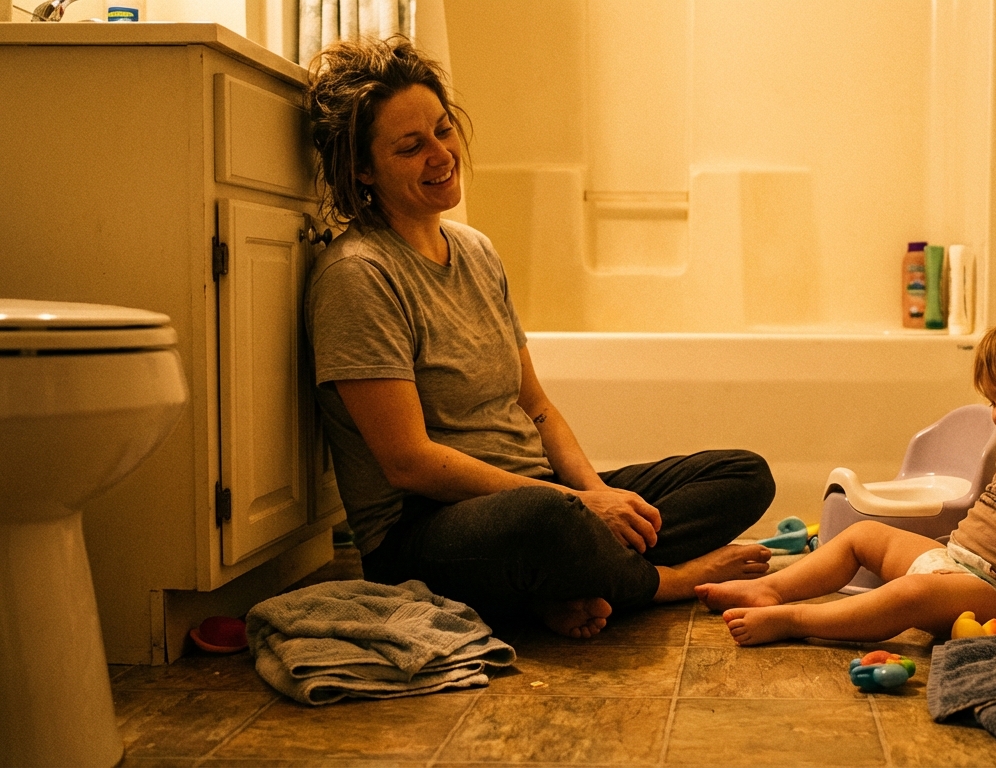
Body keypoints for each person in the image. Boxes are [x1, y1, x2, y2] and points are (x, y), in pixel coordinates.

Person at [302, 37, 775, 639]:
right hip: (426, 528)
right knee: (547, 523)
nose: (441, 154)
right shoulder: (358, 274)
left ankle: (572, 582)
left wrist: (598, 497)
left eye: (444, 130)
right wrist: (577, 512)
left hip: (538, 496)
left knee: (743, 474)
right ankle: (668, 582)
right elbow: (408, 462)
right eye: (411, 146)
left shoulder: (475, 251)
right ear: (363, 169)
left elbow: (537, 407)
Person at [696, 301, 996, 645]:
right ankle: (774, 588)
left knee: (908, 595)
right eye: (992, 402)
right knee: (863, 535)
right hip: (953, 562)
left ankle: (798, 620)